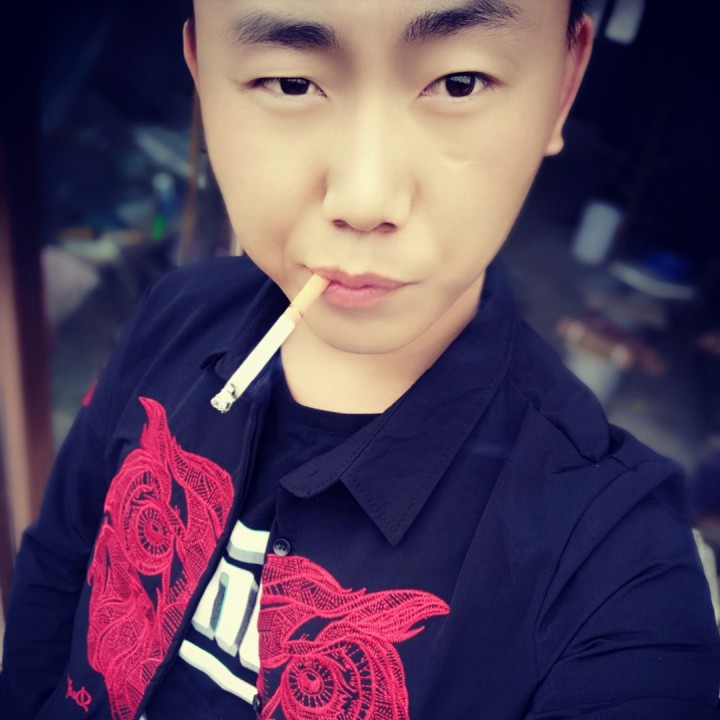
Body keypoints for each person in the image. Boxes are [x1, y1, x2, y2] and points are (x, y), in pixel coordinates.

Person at [2, 1, 719, 718]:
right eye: (289, 82)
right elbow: (58, 569)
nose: (365, 199)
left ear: (563, 85)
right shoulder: (178, 312)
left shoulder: (611, 561)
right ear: (202, 80)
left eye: (460, 83)